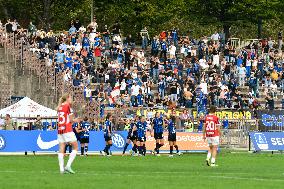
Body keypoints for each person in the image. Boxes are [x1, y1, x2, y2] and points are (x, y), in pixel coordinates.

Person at [57, 94, 78, 174]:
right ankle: (68, 166)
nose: (71, 99)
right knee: (75, 147)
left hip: (60, 129)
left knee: (61, 148)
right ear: (67, 98)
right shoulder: (68, 106)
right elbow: (71, 120)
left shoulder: (60, 107)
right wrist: (76, 120)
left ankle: (61, 169)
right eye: (70, 98)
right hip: (67, 129)